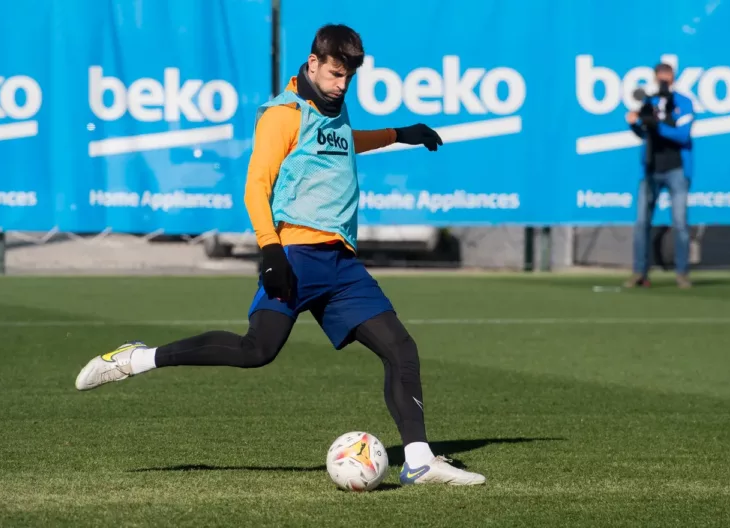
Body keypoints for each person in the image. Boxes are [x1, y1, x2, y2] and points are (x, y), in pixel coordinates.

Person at [75, 24, 486, 487]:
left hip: (341, 264)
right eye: (334, 74)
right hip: (296, 255)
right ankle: (137, 358)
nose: (341, 84)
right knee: (257, 350)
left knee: (400, 349)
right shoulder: (283, 115)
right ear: (312, 63)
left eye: (348, 77)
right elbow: (256, 187)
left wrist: (398, 133)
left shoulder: (333, 109)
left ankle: (418, 461)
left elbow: (344, 143)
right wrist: (270, 250)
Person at [624, 62, 694, 289]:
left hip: (676, 169)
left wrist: (659, 125)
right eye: (660, 76)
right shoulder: (649, 101)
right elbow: (643, 133)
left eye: (668, 75)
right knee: (642, 222)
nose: (664, 79)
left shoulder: (683, 102)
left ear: (673, 77)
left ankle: (682, 273)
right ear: (655, 77)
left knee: (680, 223)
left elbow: (683, 135)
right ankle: (639, 273)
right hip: (651, 168)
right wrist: (635, 124)